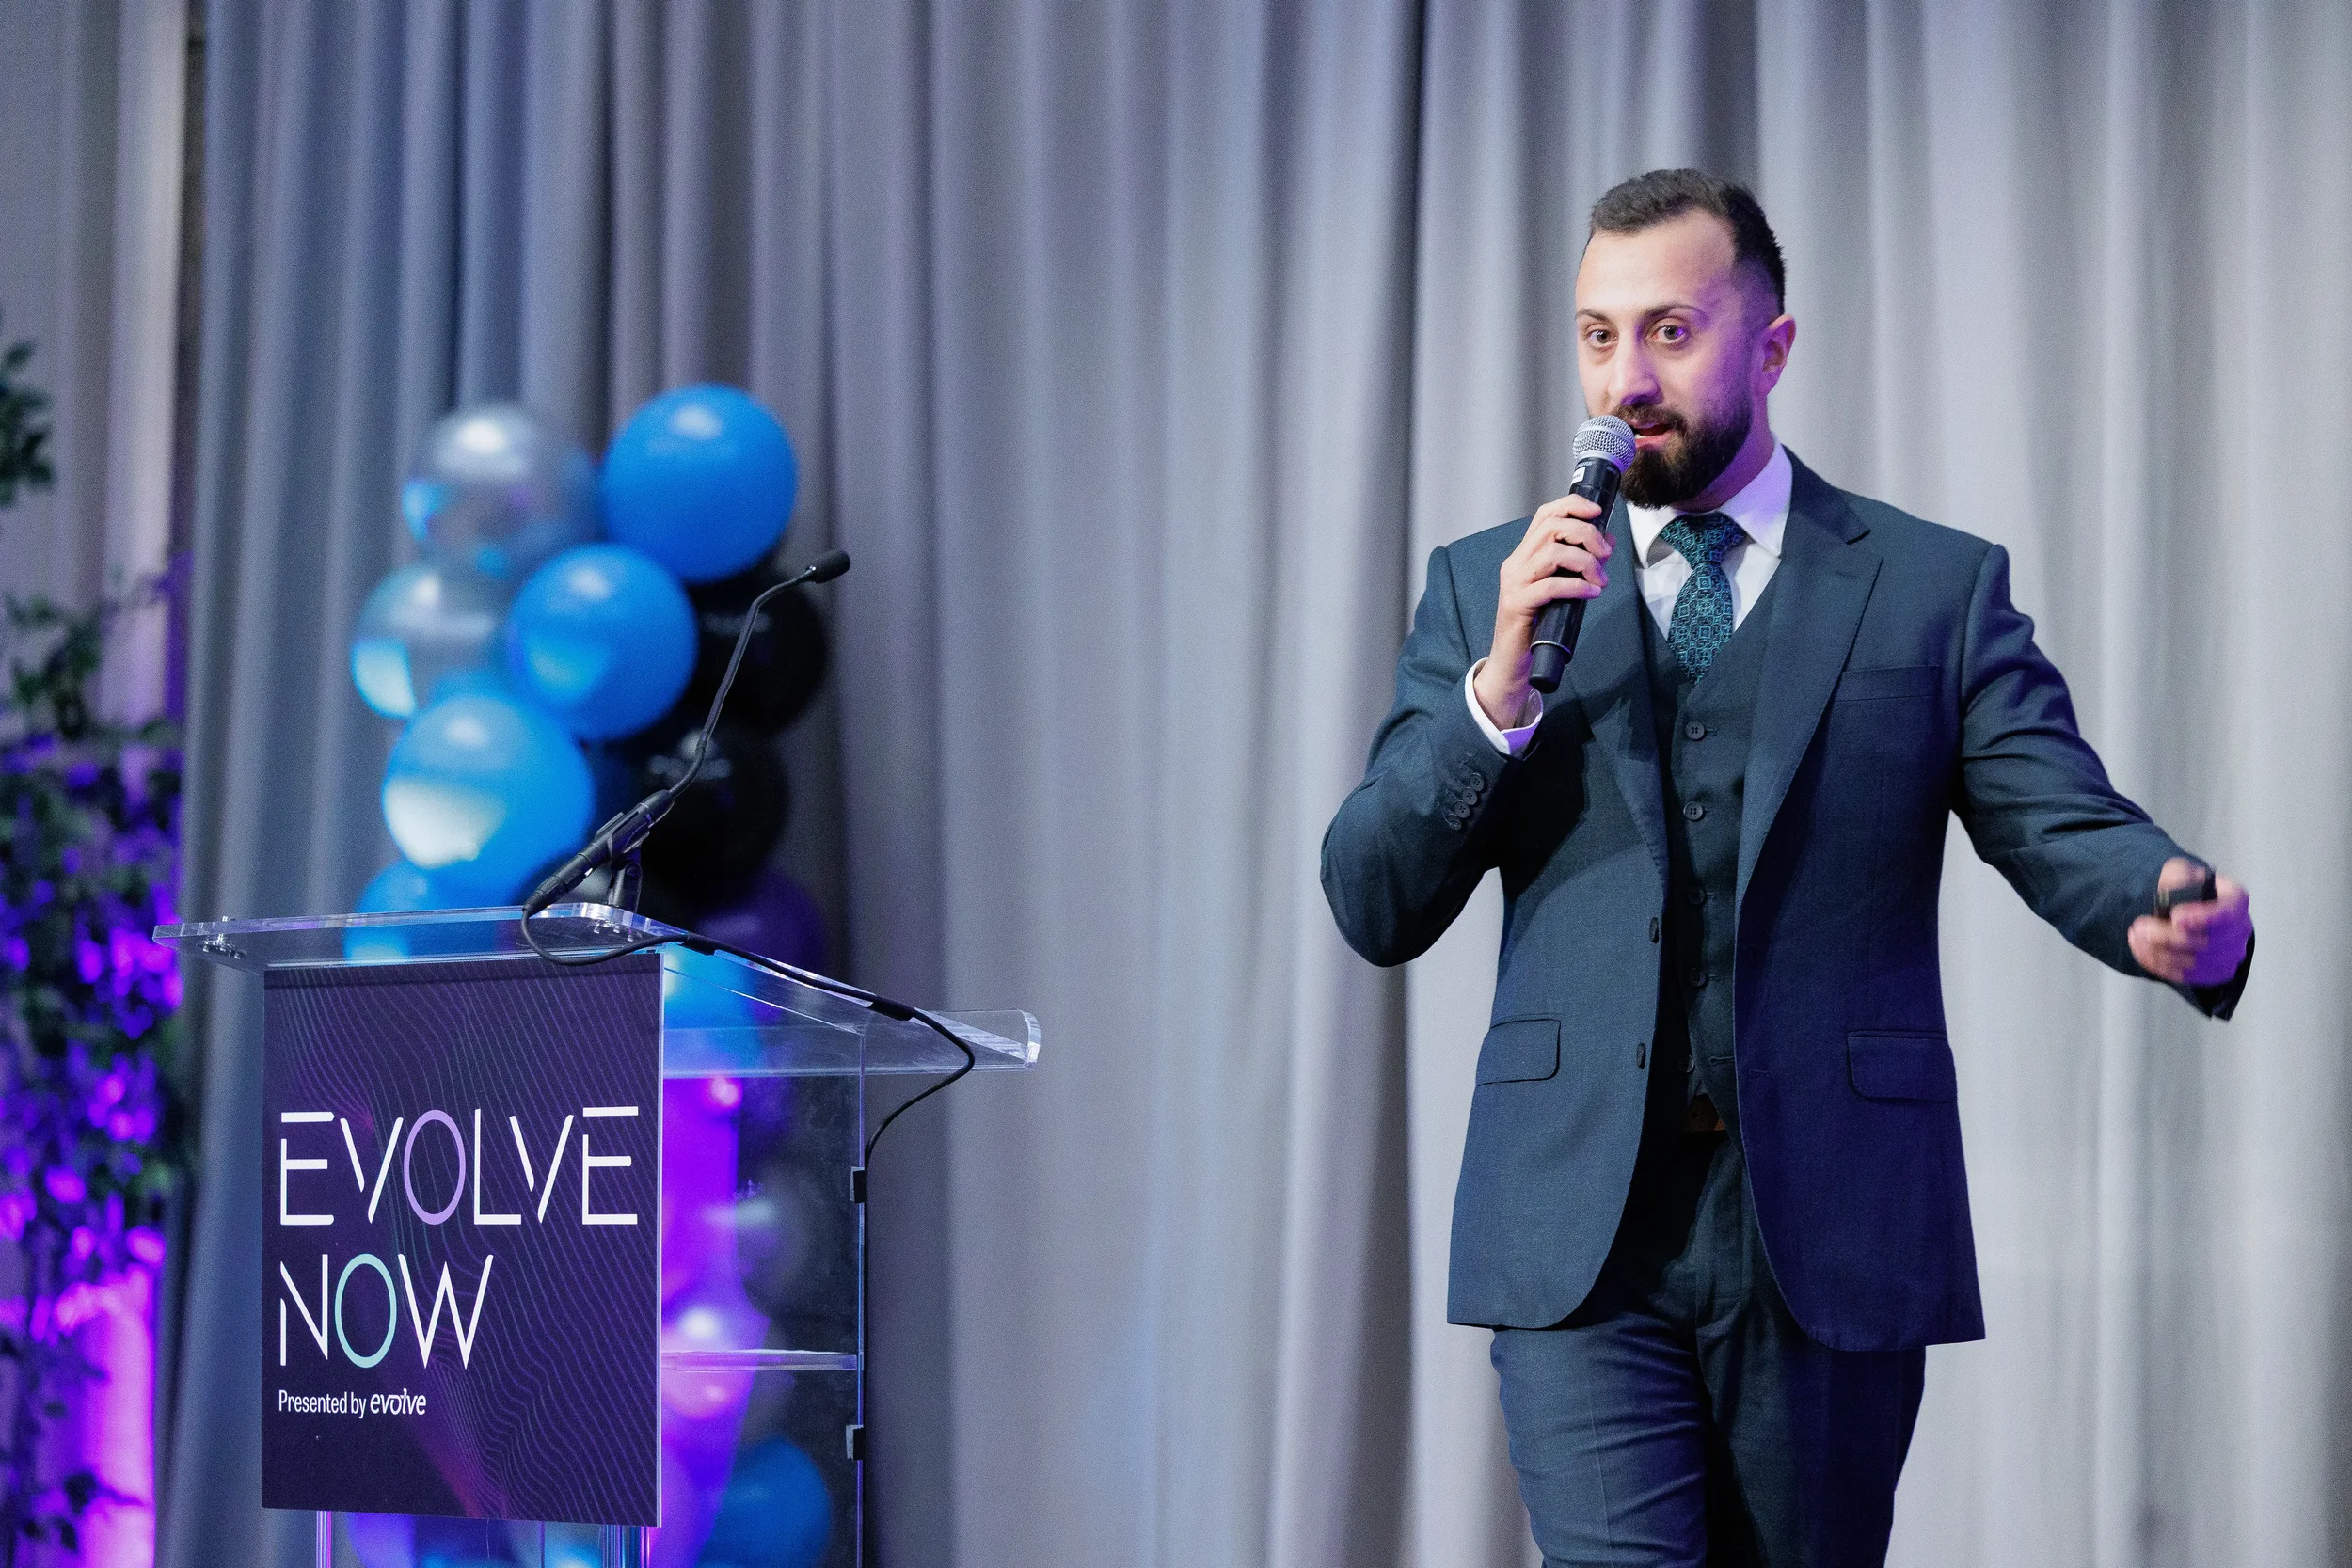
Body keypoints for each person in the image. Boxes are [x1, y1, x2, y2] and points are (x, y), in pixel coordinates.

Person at [1319, 168, 2253, 1567]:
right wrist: (1496, 693)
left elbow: (2056, 812)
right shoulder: (1487, 588)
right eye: (1595, 333)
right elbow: (1373, 896)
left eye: (1670, 332)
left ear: (1772, 346)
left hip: (1826, 1223)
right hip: (1581, 1230)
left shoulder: (1930, 588)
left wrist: (2166, 909)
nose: (1623, 377)